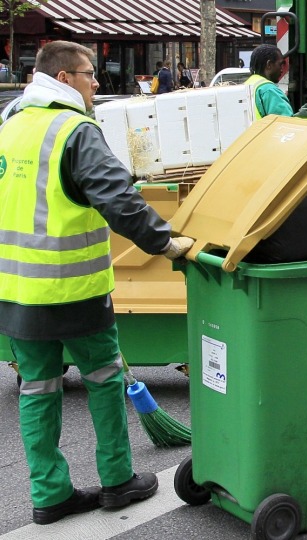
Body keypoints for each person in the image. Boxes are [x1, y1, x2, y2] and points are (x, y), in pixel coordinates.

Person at [0, 40, 195, 525]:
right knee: (106, 380)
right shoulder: (75, 130)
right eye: (90, 74)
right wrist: (164, 243)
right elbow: (118, 199)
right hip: (74, 291)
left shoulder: (9, 125)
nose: (96, 83)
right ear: (63, 78)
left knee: (38, 390)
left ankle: (49, 494)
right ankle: (117, 480)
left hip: (17, 293)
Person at [245, 44, 293, 118]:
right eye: (280, 64)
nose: (282, 69)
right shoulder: (269, 90)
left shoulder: (248, 84)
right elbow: (285, 125)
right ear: (269, 64)